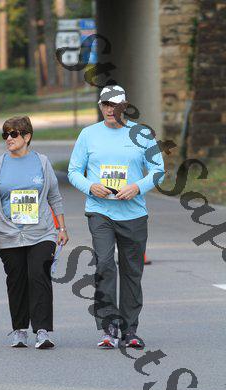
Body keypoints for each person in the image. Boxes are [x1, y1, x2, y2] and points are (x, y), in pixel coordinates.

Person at [68, 85, 164, 349]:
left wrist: (137, 187)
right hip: (100, 211)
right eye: (106, 105)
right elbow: (73, 171)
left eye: (116, 105)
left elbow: (158, 170)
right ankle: (109, 328)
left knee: (132, 271)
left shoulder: (142, 134)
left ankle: (130, 330)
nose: (110, 110)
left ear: (125, 106)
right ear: (101, 106)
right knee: (105, 264)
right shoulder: (88, 135)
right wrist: (90, 186)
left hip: (134, 213)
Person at [0, 115, 68, 349]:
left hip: (42, 232)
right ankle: (19, 330)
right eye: (5, 134)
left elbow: (54, 196)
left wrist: (61, 227)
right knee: (16, 280)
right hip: (8, 234)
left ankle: (42, 331)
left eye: (13, 134)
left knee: (38, 274)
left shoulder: (42, 162)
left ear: (27, 137)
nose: (8, 138)